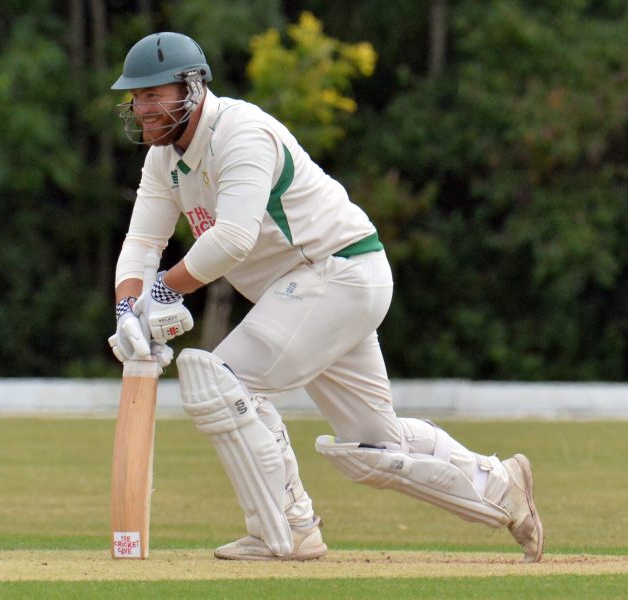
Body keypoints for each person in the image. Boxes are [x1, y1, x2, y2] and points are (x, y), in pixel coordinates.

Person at [107, 31, 544, 563]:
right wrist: (129, 311)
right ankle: (502, 486)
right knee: (373, 449)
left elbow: (233, 239)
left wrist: (161, 289)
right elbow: (142, 242)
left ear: (193, 90)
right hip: (305, 293)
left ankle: (288, 528)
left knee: (221, 380)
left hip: (337, 271)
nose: (142, 106)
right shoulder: (163, 160)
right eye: (137, 96)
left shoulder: (241, 133)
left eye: (155, 93)